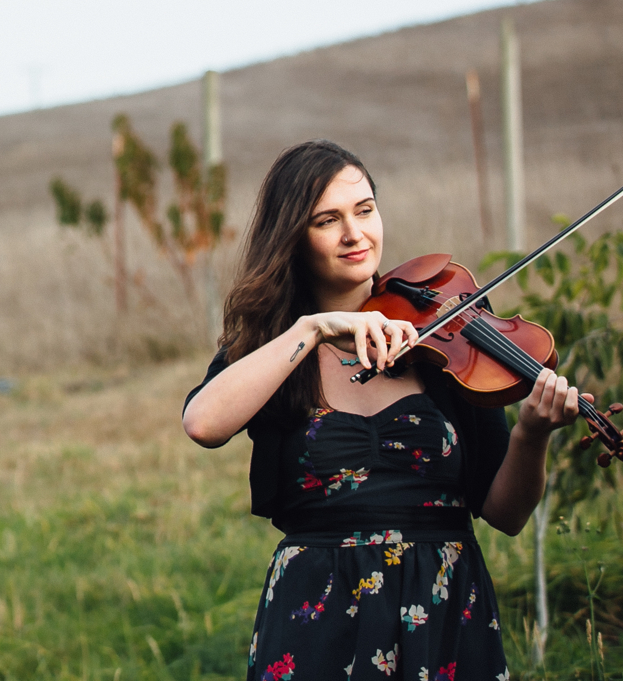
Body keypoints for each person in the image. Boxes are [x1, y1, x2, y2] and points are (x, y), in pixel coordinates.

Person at [183, 139, 583, 681]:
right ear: (292, 238)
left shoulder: (445, 334)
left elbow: (506, 516)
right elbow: (203, 424)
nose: (355, 234)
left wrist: (532, 436)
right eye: (328, 220)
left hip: (443, 610)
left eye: (365, 210)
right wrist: (315, 327)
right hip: (316, 616)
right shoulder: (272, 346)